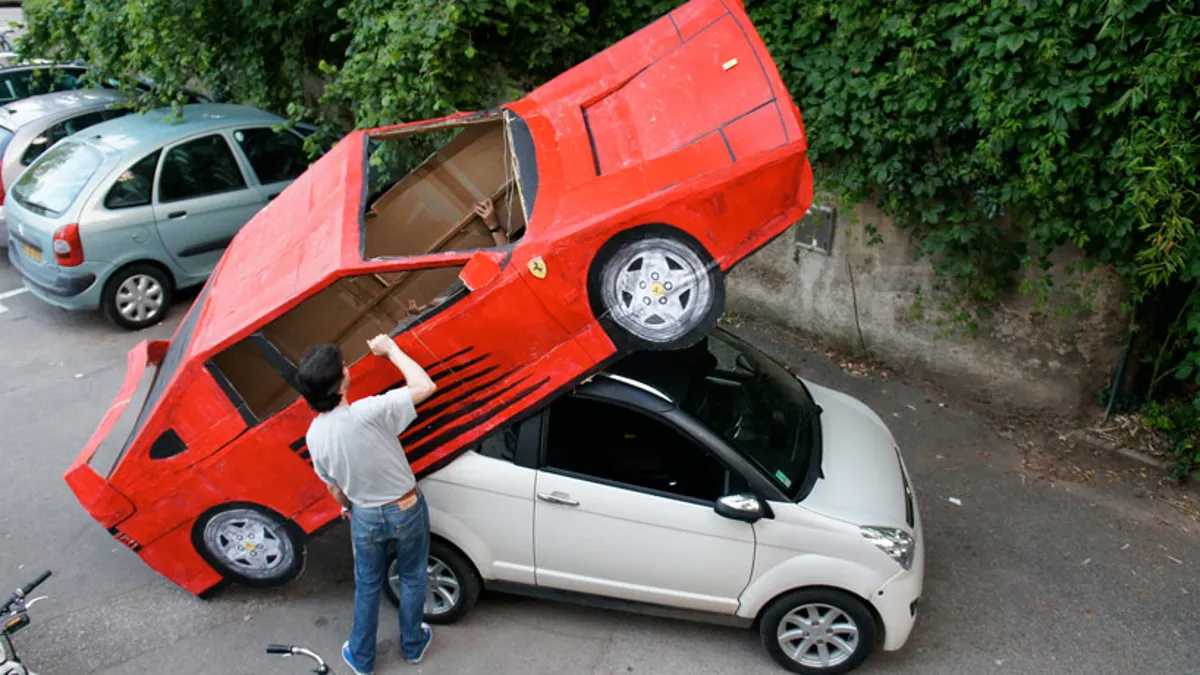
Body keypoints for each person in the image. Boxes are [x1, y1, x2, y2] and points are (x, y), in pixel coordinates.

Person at [296, 334, 437, 674]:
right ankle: (413, 646)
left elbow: (333, 487)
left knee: (368, 585)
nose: (347, 366)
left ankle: (361, 658)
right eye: (343, 365)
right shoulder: (370, 411)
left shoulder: (314, 436)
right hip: (405, 506)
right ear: (341, 382)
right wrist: (391, 350)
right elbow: (424, 385)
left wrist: (347, 507)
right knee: (414, 575)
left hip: (364, 514)